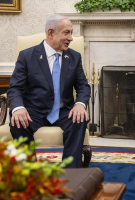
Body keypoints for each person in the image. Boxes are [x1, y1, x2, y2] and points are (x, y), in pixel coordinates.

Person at [7, 14, 91, 168]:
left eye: (71, 33)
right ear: (51, 33)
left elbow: (83, 86)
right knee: (17, 121)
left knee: (79, 118)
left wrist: (80, 104)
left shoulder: (74, 57)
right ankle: (29, 172)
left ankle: (71, 175)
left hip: (64, 111)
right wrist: (18, 108)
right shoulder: (27, 56)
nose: (71, 38)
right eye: (66, 33)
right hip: (34, 111)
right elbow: (15, 88)